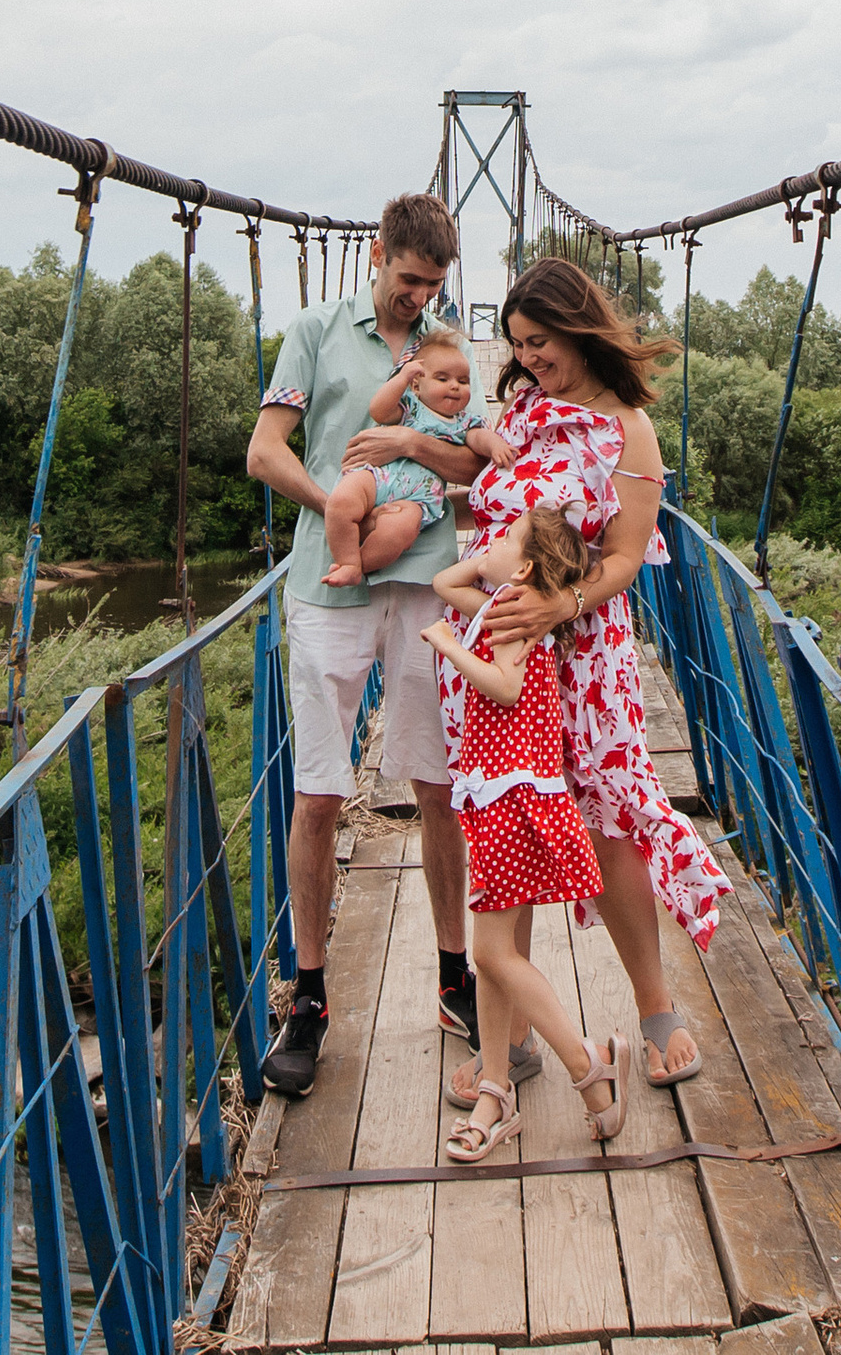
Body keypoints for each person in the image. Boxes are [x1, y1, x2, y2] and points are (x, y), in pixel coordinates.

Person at [445, 257, 731, 1110]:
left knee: (609, 815)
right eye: (520, 346)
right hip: (501, 648)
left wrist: (555, 607)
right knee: (508, 819)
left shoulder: (629, 430)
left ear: (578, 329)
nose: (529, 360)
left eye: (541, 343)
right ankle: (517, 1041)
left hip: (584, 649)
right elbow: (496, 497)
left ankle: (654, 1011)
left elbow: (627, 557)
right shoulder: (527, 406)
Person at [244, 192, 481, 1098]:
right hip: (329, 587)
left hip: (425, 585)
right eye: (408, 278)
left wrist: (416, 440)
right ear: (378, 256)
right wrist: (346, 509)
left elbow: (475, 464)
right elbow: (266, 452)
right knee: (317, 798)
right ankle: (308, 1001)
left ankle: (455, 978)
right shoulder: (310, 331)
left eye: (432, 286)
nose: (418, 298)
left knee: (439, 787)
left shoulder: (447, 346)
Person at [421, 508, 627, 1162]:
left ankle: (587, 1064)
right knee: (492, 954)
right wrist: (486, 564)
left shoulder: (515, 617)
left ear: (529, 566)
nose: (487, 547)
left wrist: (451, 648)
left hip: (513, 799)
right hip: (500, 796)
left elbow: (507, 688)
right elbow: (444, 584)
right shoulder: (505, 601)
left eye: (501, 542)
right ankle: (497, 1087)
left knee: (496, 956)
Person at [319, 330, 483, 587]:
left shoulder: (466, 423)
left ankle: (358, 566)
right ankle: (347, 561)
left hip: (416, 499)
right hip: (379, 477)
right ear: (417, 385)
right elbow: (379, 410)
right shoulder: (410, 408)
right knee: (341, 501)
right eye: (443, 378)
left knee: (398, 532)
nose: (455, 385)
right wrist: (402, 378)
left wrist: (495, 446)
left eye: (463, 381)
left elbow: (479, 446)